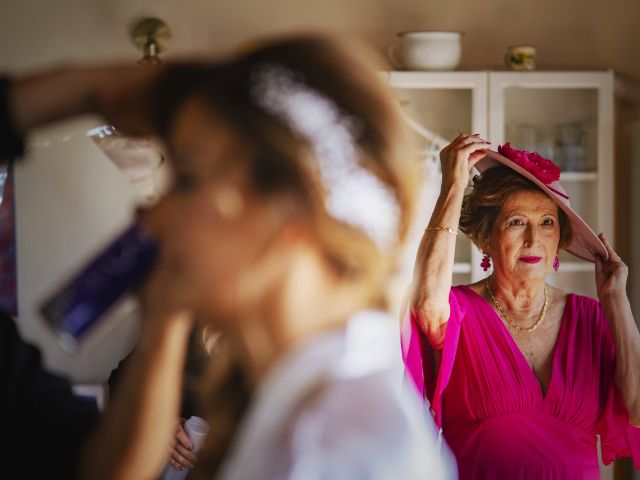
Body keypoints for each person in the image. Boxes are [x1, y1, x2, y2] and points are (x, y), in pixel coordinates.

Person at [0, 34, 452, 479]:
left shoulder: (327, 454)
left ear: (290, 213)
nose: (150, 215)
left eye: (188, 179)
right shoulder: (308, 409)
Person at [403, 134, 640, 478]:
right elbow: (424, 302)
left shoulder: (591, 317)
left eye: (547, 223)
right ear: (486, 237)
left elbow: (636, 408)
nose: (533, 239)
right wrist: (454, 185)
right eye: (516, 222)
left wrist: (616, 300)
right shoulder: (458, 311)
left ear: (560, 238)